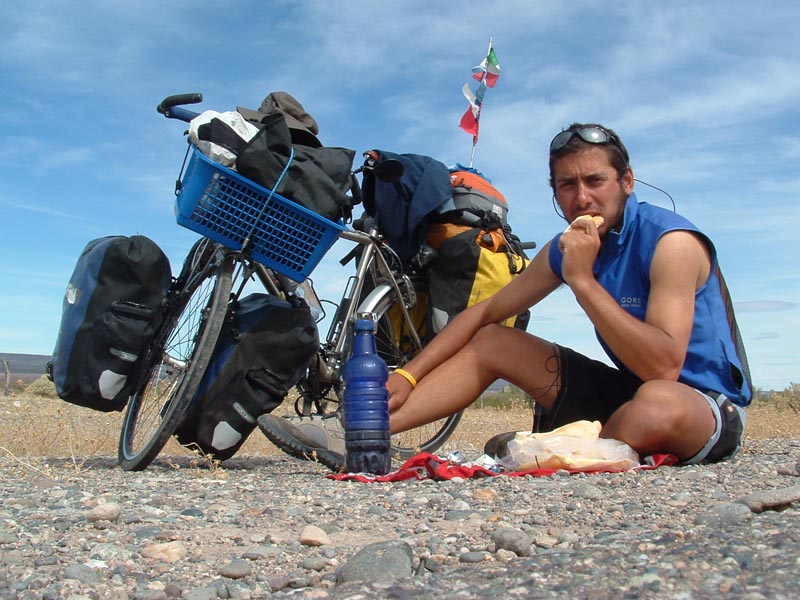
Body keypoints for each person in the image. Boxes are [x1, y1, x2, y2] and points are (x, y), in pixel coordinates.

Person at [258, 123, 752, 471]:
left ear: (626, 182)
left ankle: (549, 446)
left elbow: (664, 367)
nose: (582, 198)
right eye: (567, 185)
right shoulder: (568, 247)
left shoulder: (671, 243)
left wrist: (582, 282)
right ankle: (358, 433)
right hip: (627, 393)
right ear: (554, 193)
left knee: (656, 405)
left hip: (698, 405)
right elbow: (484, 313)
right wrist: (408, 374)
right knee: (495, 339)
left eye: (595, 181)